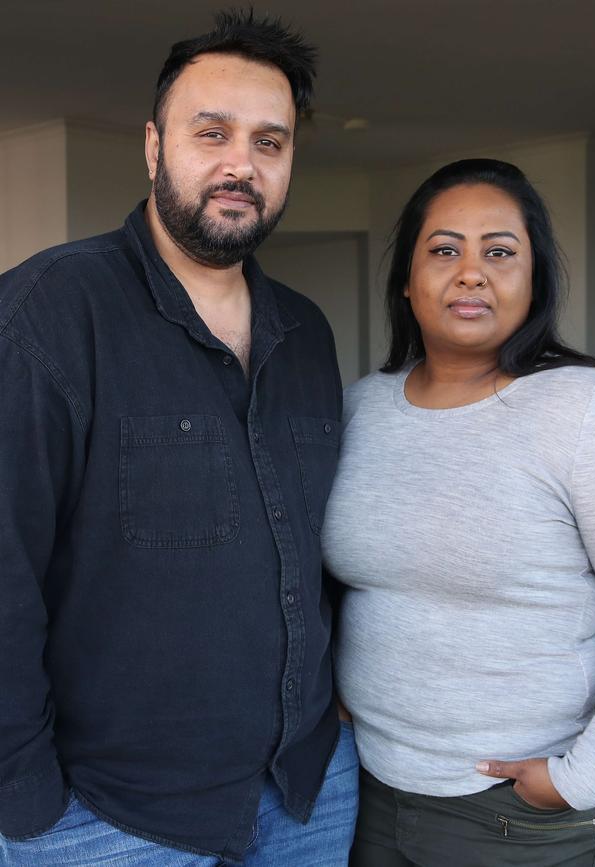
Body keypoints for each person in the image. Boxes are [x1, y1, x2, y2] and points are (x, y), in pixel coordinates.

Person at [0, 10, 358, 866]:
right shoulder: (51, 311)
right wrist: (25, 799)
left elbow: (312, 553)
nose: (242, 163)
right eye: (213, 133)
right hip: (110, 817)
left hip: (309, 792)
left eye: (270, 142)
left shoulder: (305, 332)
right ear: (155, 148)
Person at [321, 158, 595, 867]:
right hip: (369, 790)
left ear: (533, 282)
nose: (471, 273)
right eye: (444, 250)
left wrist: (582, 777)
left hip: (520, 818)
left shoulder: (588, 408)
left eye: (500, 252)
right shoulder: (358, 408)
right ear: (407, 282)